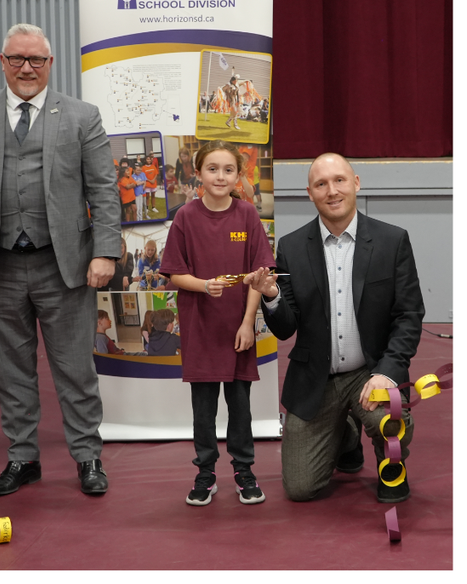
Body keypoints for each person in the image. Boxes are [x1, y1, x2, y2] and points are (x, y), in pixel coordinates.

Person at [0, 23, 121, 496]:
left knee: (75, 367)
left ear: (51, 64)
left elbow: (103, 189)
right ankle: (22, 458)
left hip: (65, 264)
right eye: (17, 59)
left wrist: (106, 251)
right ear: (2, 61)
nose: (27, 68)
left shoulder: (81, 116)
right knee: (9, 368)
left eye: (36, 59)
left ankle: (87, 457)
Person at [245, 153, 424, 503]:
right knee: (300, 489)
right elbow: (286, 329)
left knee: (393, 422)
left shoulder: (392, 241)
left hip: (369, 371)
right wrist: (272, 297)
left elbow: (409, 314)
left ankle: (391, 467)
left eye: (340, 180)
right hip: (317, 376)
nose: (332, 191)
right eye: (321, 184)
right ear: (309, 193)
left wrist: (387, 373)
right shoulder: (292, 247)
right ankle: (344, 434)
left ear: (355, 183)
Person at [160, 139, 275, 507]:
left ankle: (244, 470)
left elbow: (259, 276)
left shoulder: (247, 216)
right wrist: (203, 286)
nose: (220, 176)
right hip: (200, 328)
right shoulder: (185, 217)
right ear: (197, 174)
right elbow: (175, 273)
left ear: (239, 175)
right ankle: (205, 472)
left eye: (228, 170)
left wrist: (247, 323)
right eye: (212, 169)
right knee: (204, 408)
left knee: (240, 405)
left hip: (236, 329)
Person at [117, 158, 136, 222]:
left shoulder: (129, 177)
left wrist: (132, 184)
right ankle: (128, 222)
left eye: (128, 171)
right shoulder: (122, 180)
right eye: (127, 171)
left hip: (132, 197)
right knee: (128, 211)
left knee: (134, 209)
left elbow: (135, 183)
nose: (128, 172)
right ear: (123, 173)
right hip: (126, 198)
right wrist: (132, 184)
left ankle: (135, 221)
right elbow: (128, 186)